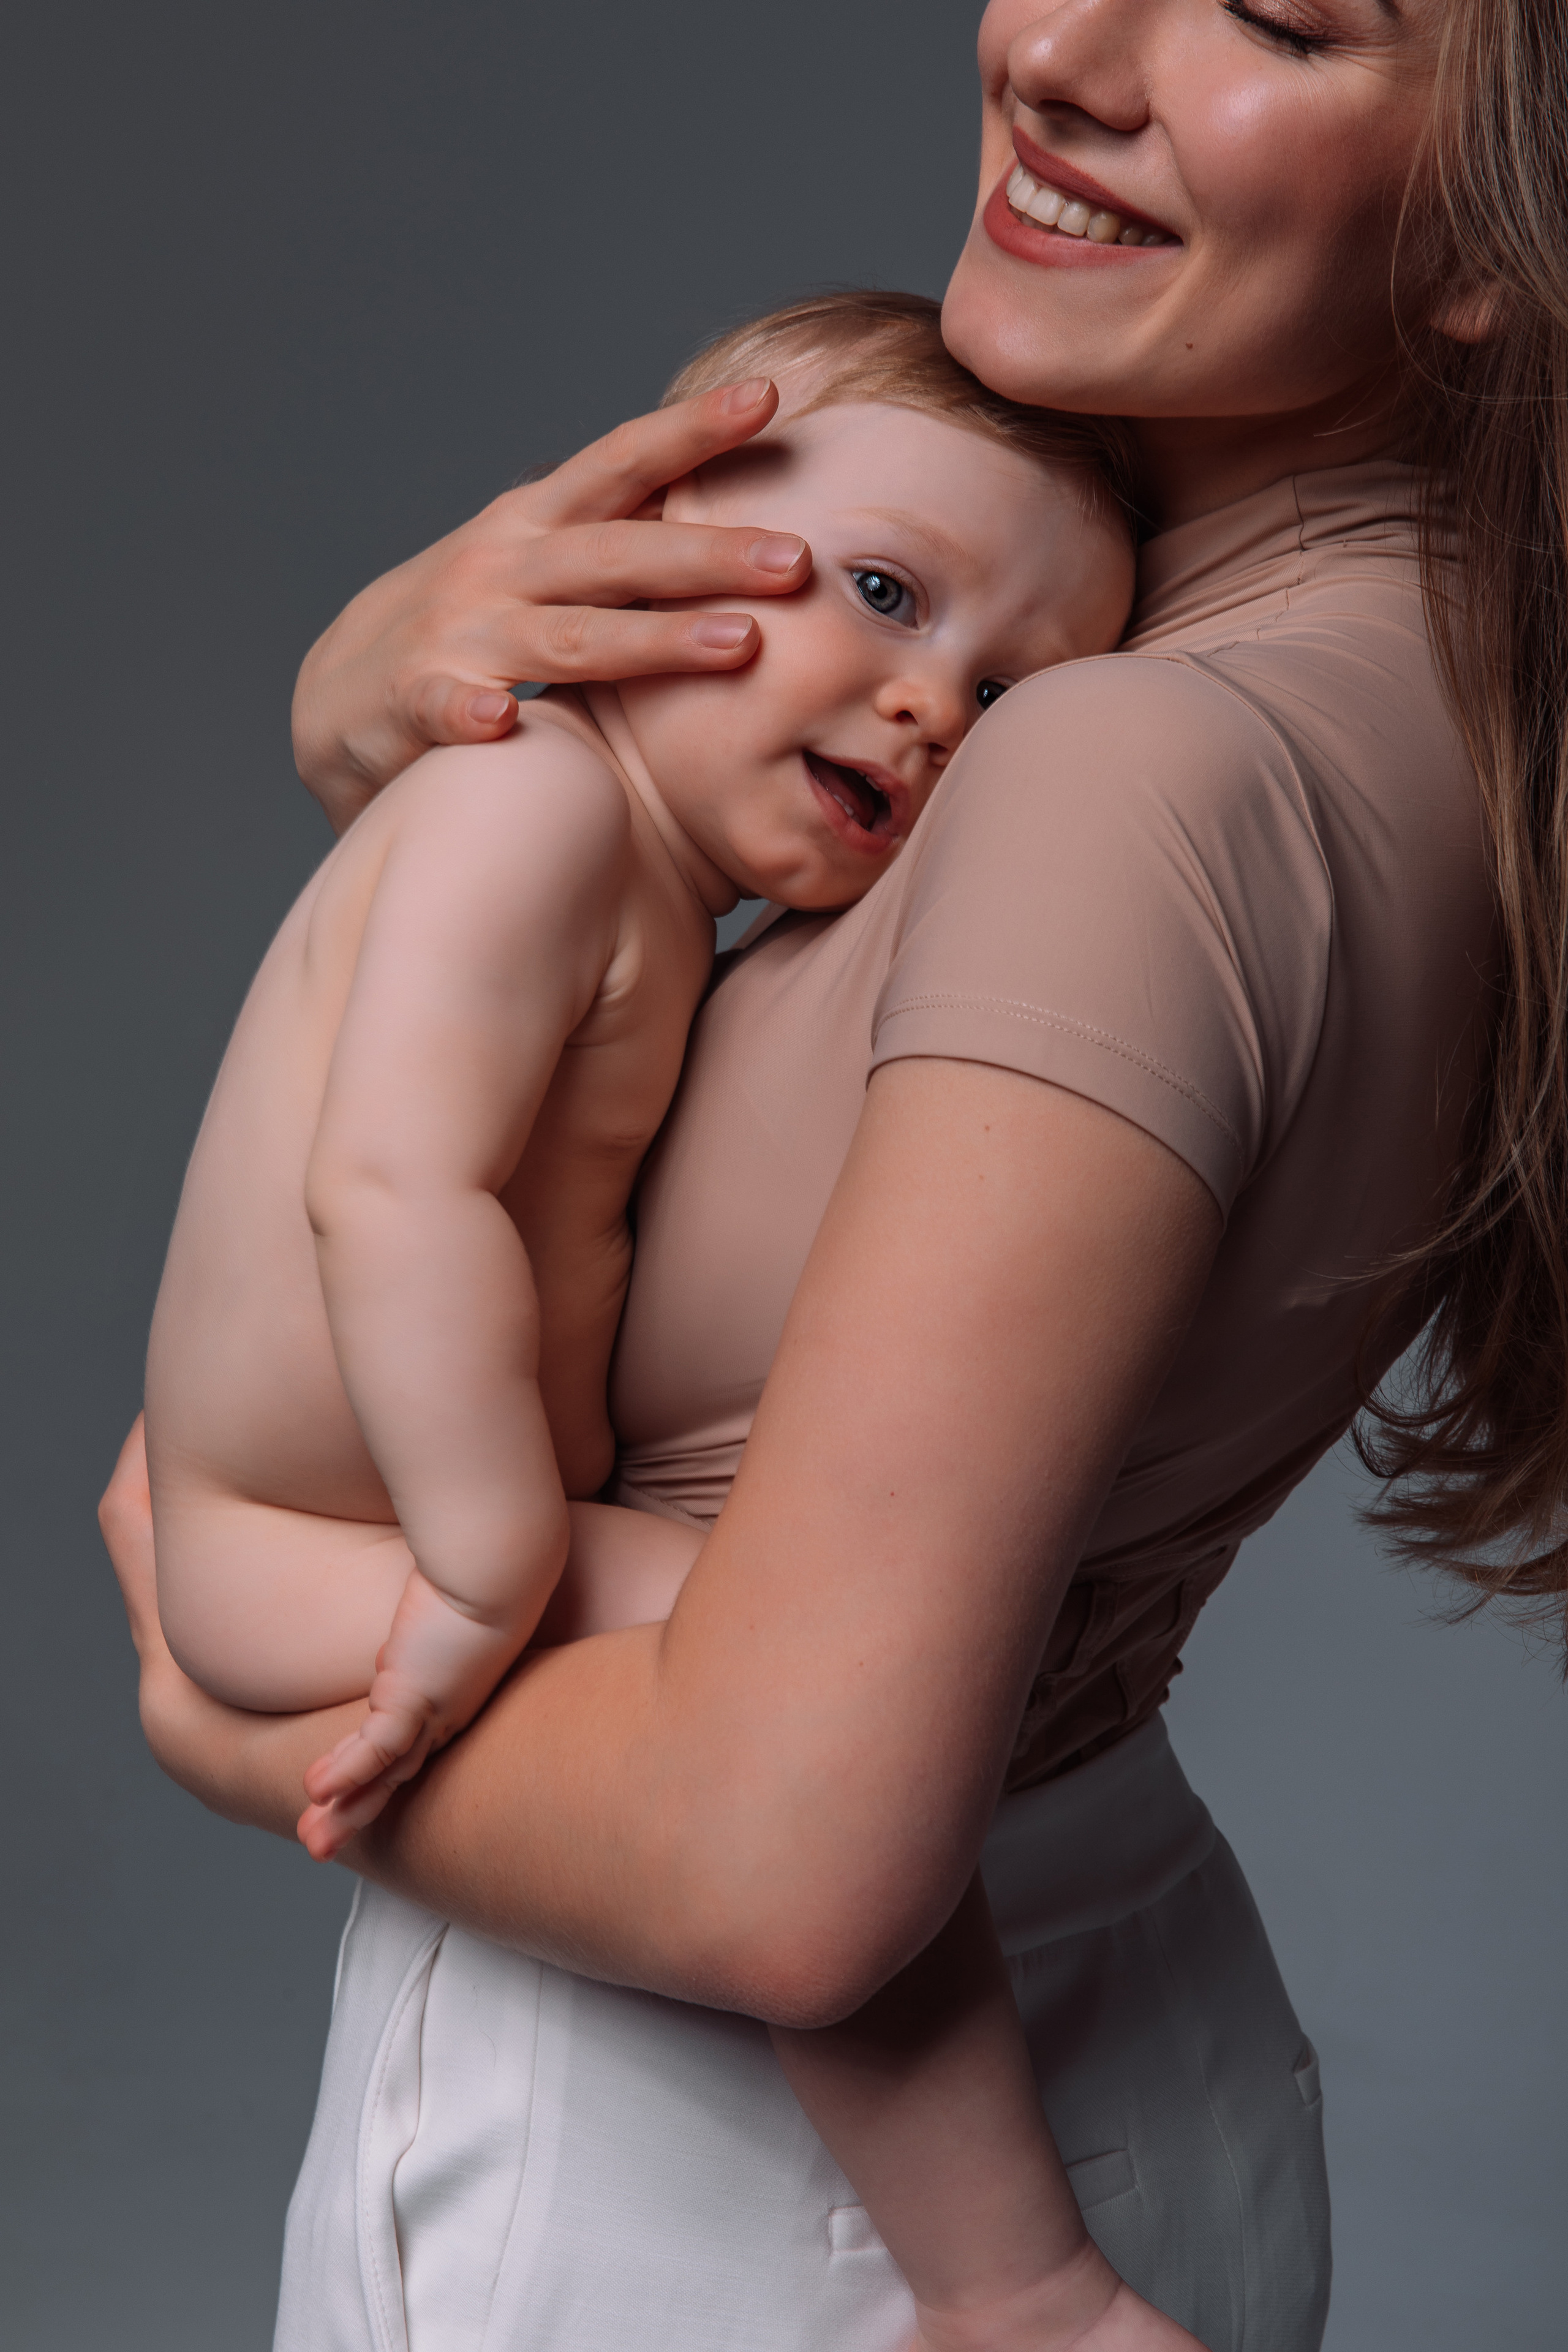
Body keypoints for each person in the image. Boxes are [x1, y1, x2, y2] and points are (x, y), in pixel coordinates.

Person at [100, 3, 1568, 2349]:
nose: (1070, 46)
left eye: (1282, 13)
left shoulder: (1115, 765)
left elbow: (790, 1865)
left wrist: (216, 1701)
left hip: (732, 2188)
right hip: (1108, 2041)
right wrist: (391, 716)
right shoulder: (1415, 687)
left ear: (1504, 217)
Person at [141, 288, 1184, 2350]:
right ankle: (1020, 2289)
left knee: (812, 1722)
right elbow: (390, 1189)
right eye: (885, 594)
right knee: (813, 1734)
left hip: (353, 1523)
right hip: (319, 1547)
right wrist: (485, 1552)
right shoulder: (524, 803)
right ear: (654, 538)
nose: (927, 706)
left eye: (1005, 689)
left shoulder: (639, 875)